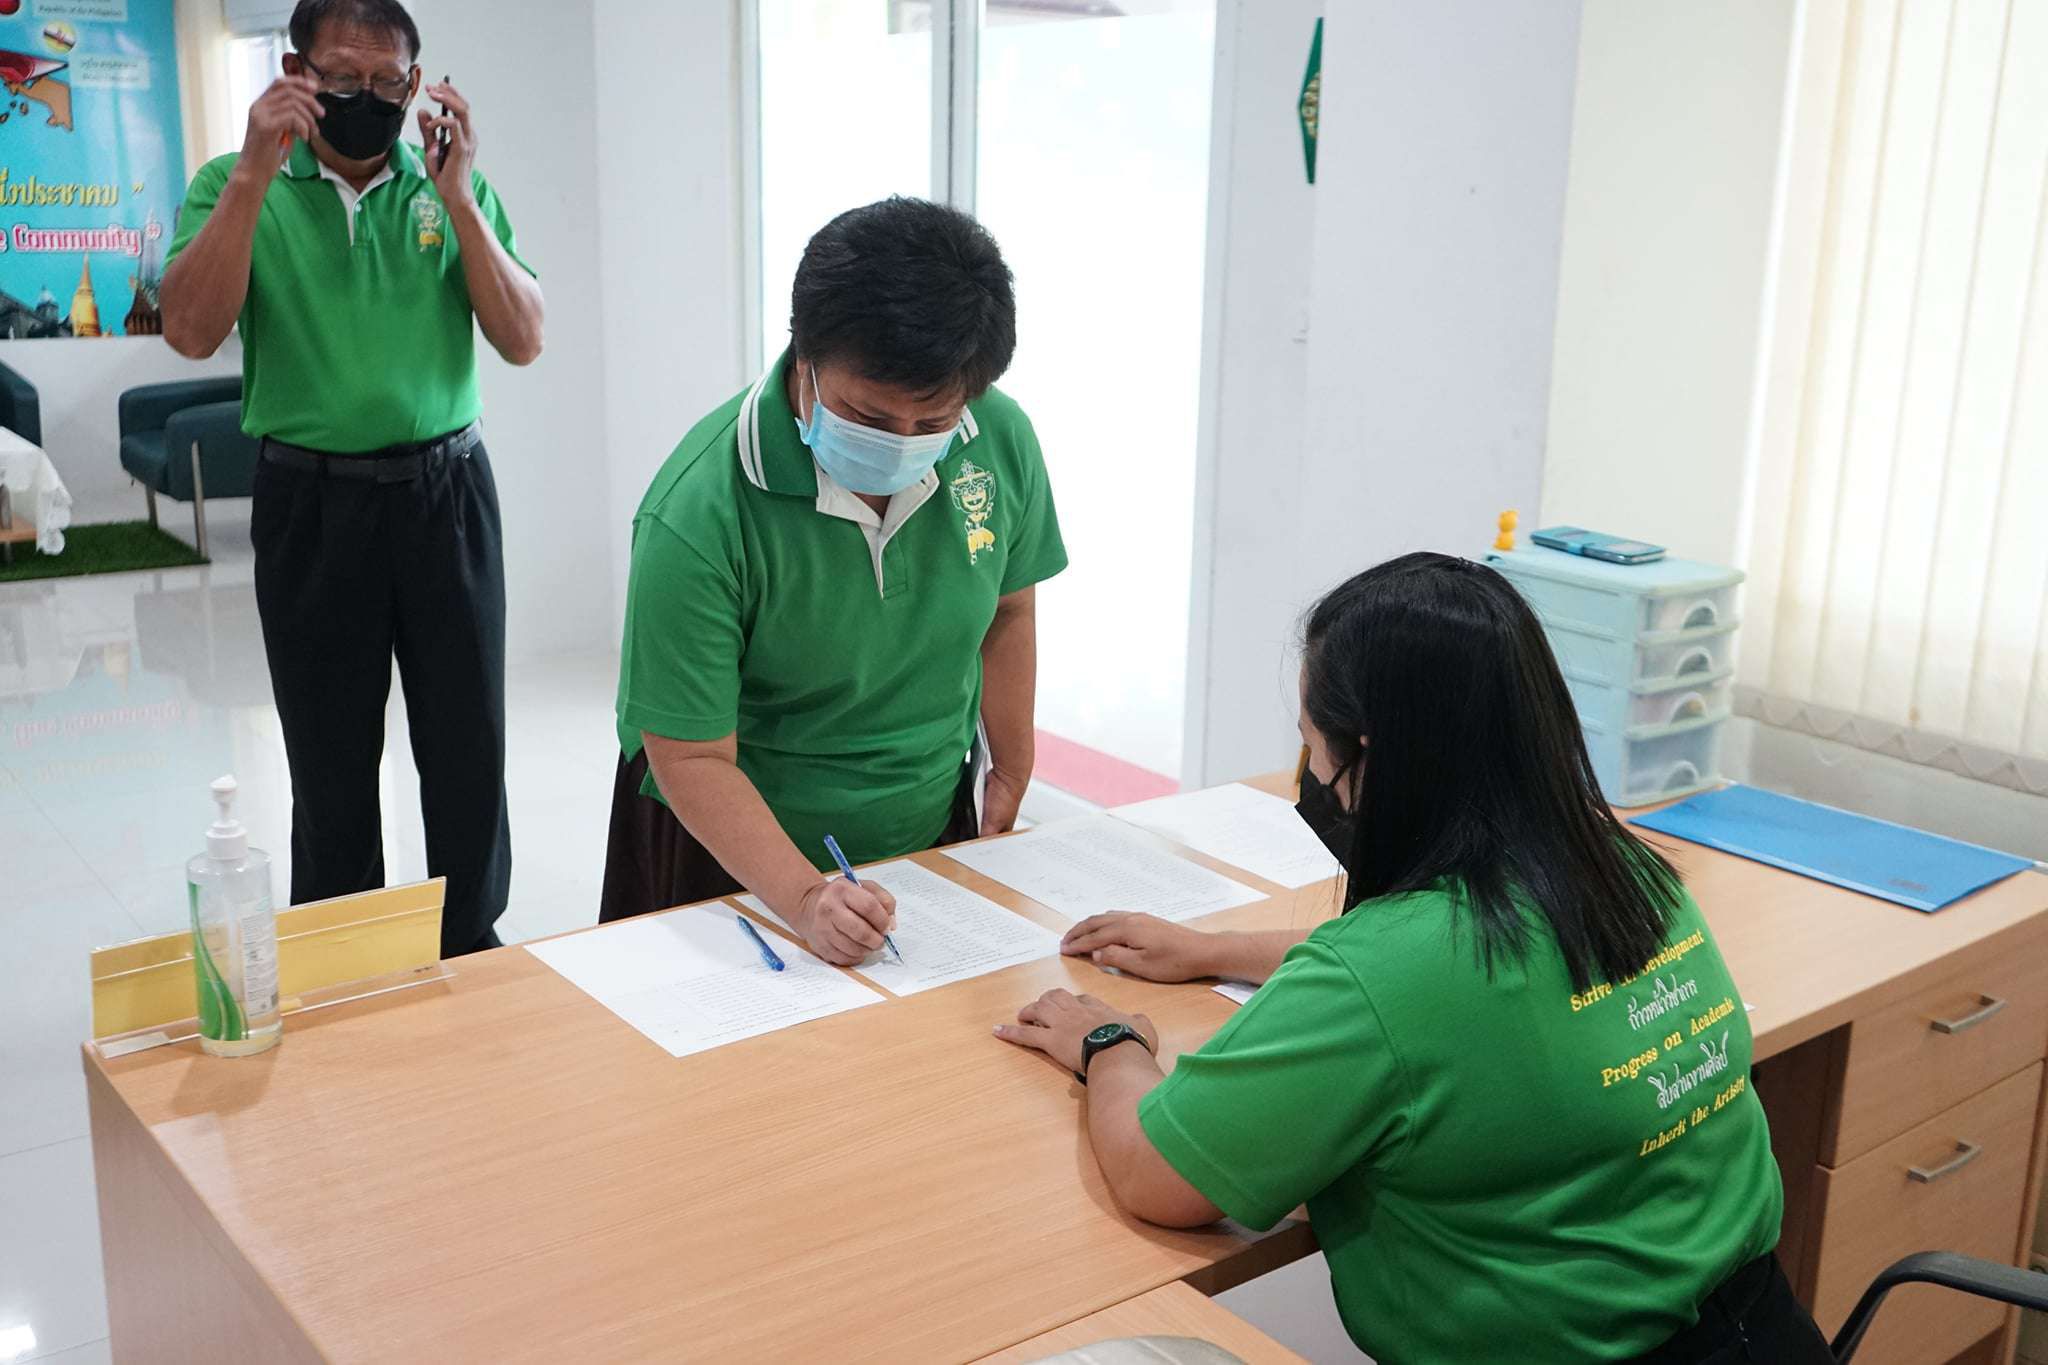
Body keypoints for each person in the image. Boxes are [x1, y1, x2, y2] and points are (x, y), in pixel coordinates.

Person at [996, 553, 1830, 1364]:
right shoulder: (1625, 873)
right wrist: (1213, 951)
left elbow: (1155, 1174)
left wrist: (1110, 1046)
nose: (1308, 775)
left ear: (1372, 757)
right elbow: (1458, 986)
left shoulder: (1385, 973)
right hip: (1770, 1332)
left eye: (1314, 745)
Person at [161, 0, 542, 957]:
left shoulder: (446, 186)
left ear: (416, 85)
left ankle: (472, 942)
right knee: (329, 758)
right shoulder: (232, 184)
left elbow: (524, 338)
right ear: (296, 73)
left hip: (448, 496)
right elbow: (190, 330)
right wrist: (253, 174)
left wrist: (461, 200)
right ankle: (343, 956)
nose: (365, 98)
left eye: (386, 82)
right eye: (341, 78)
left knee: (468, 746)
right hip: (312, 504)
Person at [603, 198, 1065, 963]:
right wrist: (804, 897)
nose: (902, 445)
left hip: (927, 827)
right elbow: (689, 755)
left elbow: (1010, 608)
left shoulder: (998, 439)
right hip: (736, 860)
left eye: (931, 424)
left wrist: (1011, 764)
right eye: (869, 418)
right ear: (805, 357)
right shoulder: (698, 510)